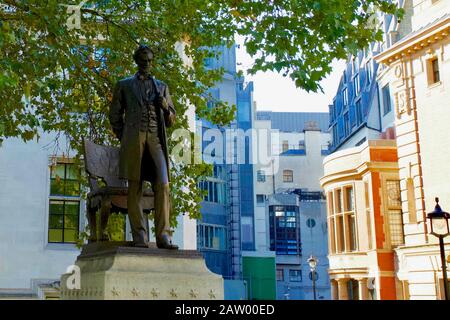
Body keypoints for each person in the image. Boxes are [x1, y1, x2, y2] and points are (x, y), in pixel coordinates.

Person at [109, 44, 178, 249]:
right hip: (133, 139)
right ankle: (139, 235)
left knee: (163, 184)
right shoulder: (124, 85)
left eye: (149, 60)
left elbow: (171, 119)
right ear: (137, 61)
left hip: (156, 139)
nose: (147, 64)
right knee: (135, 186)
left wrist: (165, 106)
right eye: (143, 60)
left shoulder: (162, 87)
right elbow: (114, 114)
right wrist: (125, 135)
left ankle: (163, 235)